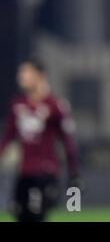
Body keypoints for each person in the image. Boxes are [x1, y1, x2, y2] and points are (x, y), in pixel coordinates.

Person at [0, 59, 81, 222]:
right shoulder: (18, 105)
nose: (21, 77)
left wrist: (74, 173)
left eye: (26, 73)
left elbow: (67, 140)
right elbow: (7, 137)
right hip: (23, 173)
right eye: (20, 73)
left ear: (40, 76)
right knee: (21, 216)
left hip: (45, 173)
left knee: (37, 216)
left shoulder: (55, 105)